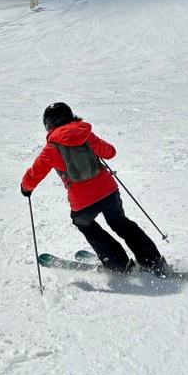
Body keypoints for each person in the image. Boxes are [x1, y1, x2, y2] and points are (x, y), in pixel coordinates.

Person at [21, 103, 167, 274]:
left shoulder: (51, 148)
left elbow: (34, 173)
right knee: (120, 223)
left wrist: (26, 188)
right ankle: (152, 260)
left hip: (82, 202)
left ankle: (118, 264)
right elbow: (110, 152)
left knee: (85, 223)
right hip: (109, 192)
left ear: (48, 125)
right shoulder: (86, 135)